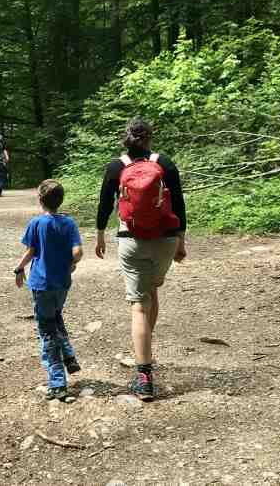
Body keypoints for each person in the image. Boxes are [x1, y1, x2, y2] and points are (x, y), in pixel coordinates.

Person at [94, 117, 187, 401]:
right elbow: (179, 204)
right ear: (150, 138)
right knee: (152, 290)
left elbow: (104, 204)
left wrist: (99, 236)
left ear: (126, 138)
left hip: (131, 240)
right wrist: (181, 242)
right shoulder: (166, 163)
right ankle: (145, 343)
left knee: (139, 306)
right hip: (166, 240)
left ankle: (144, 376)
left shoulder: (116, 166)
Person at [15, 179, 83, 400]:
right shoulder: (70, 223)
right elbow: (78, 252)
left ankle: (57, 383)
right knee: (55, 317)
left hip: (41, 284)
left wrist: (18, 268)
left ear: (40, 200)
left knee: (46, 331)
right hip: (62, 283)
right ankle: (69, 356)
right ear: (60, 200)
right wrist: (71, 264)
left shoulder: (36, 223)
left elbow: (31, 251)